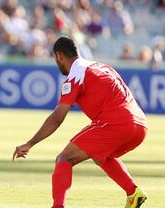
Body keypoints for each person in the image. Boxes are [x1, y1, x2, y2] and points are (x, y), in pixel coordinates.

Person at [12, 36, 147, 208]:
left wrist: (30, 143)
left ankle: (58, 206)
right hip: (140, 124)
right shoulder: (102, 67)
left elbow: (57, 118)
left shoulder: (75, 76)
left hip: (116, 122)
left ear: (59, 56)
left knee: (64, 158)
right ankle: (133, 193)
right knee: (102, 156)